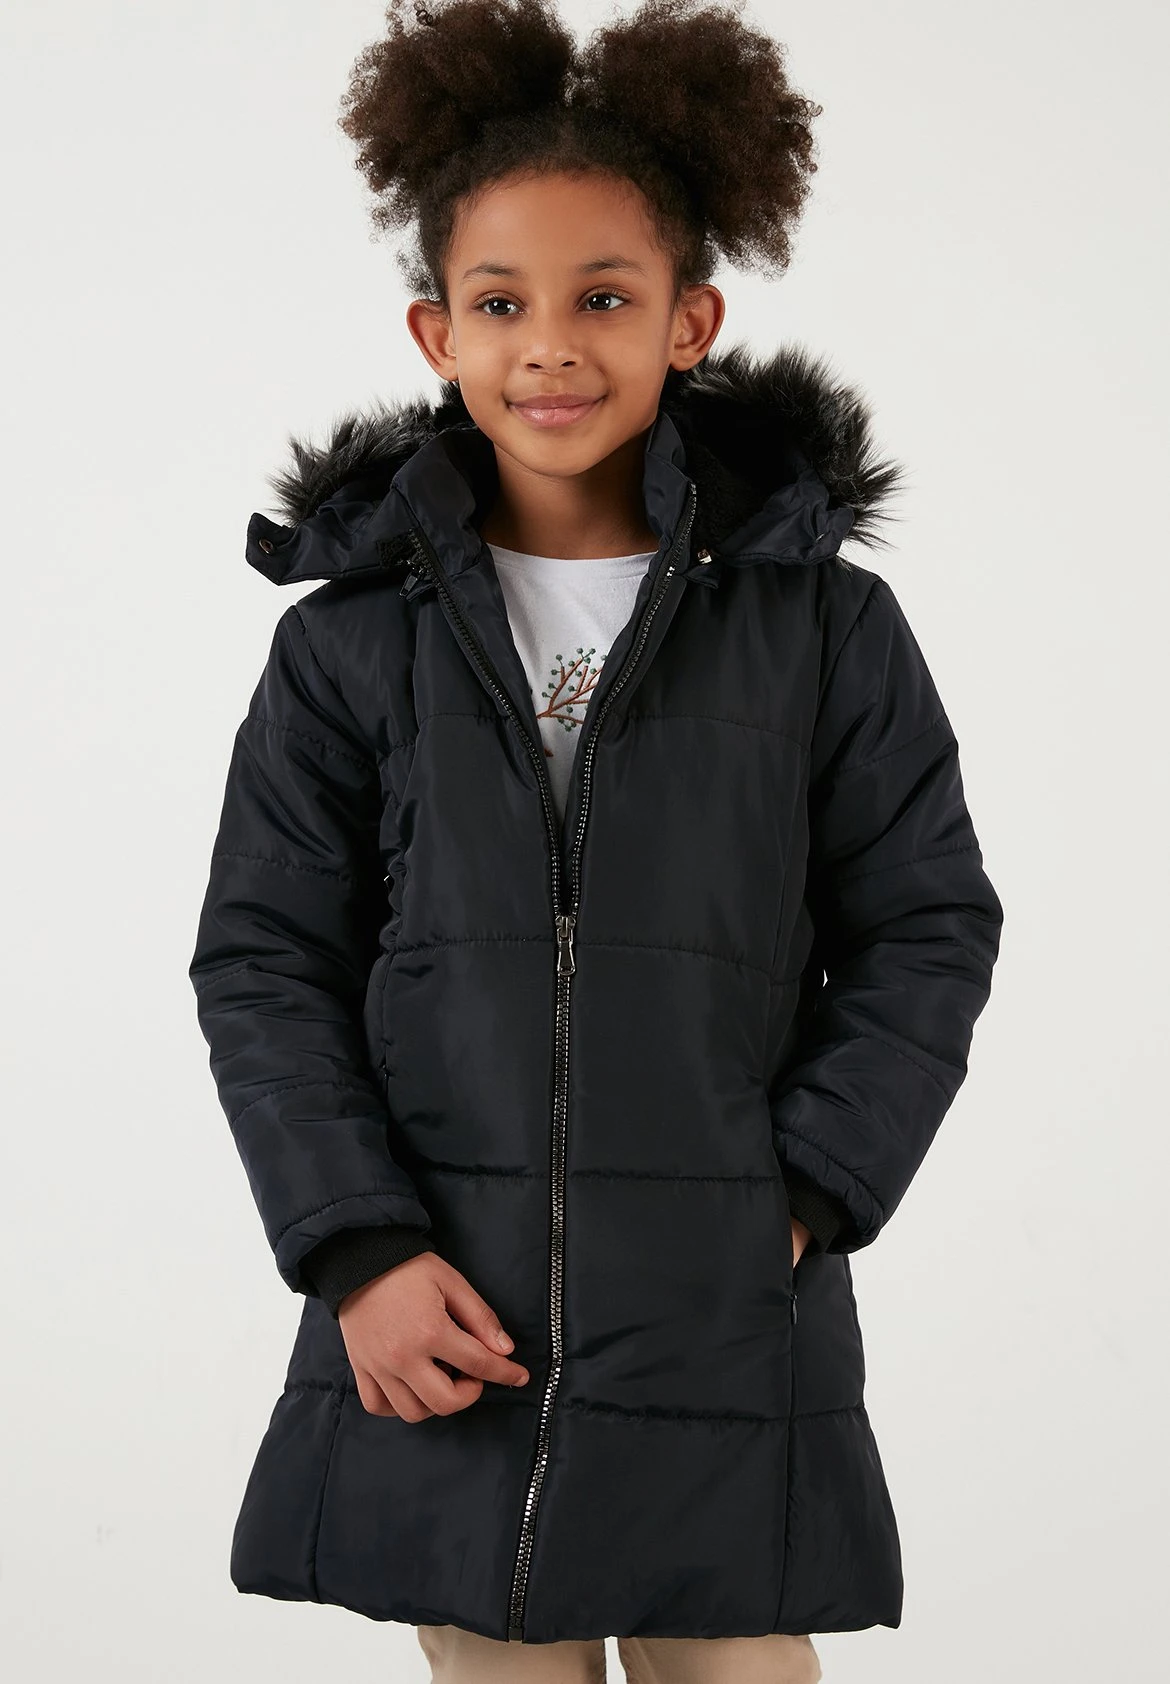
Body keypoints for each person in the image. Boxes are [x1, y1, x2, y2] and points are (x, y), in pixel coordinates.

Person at [188, 0, 1004, 1679]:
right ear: (435, 332)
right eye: (501, 303)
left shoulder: (821, 629)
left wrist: (802, 1191)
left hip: (720, 1297)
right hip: (445, 1307)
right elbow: (264, 963)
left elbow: (926, 925)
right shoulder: (347, 646)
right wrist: (358, 1250)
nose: (549, 346)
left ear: (691, 321)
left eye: (604, 298)